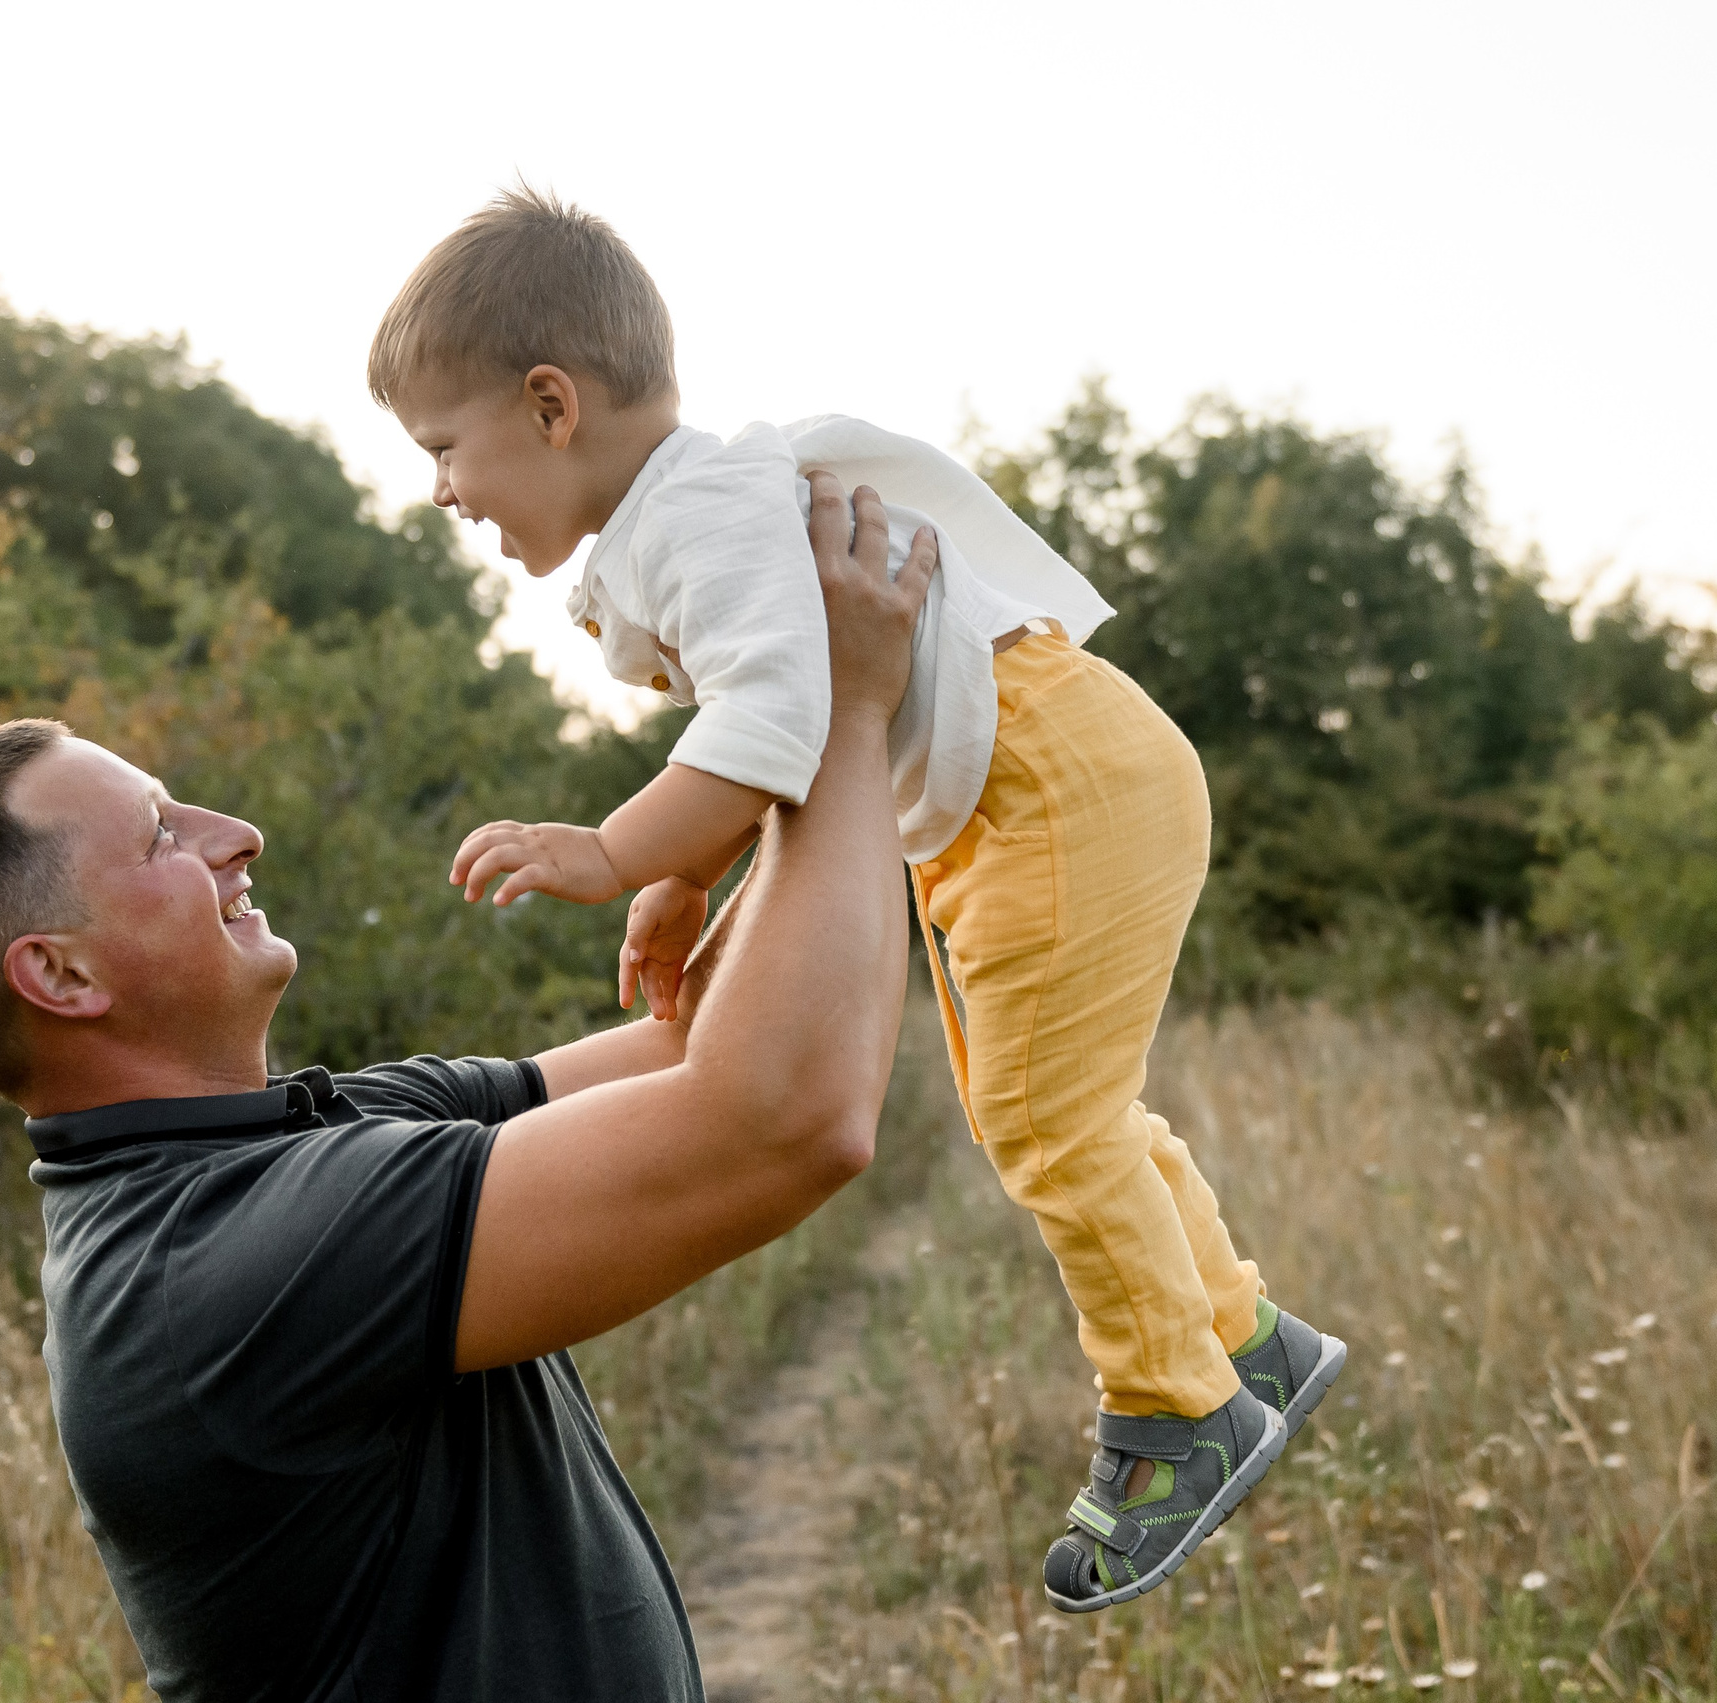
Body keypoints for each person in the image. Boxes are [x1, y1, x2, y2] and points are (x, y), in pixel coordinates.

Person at [366, 187, 1345, 1612]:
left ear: (551, 404)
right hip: (1031, 787)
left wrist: (618, 850)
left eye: (443, 448)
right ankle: (1243, 1337)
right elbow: (783, 717)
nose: (441, 490)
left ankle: (1176, 1409)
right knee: (1056, 1110)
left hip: (1051, 784)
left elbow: (770, 721)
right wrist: (686, 878)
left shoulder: (696, 514)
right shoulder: (688, 514)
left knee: (1047, 1122)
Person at [0, 477, 933, 1700]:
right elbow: (782, 1119)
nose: (234, 831)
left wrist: (735, 792)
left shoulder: (326, 1131)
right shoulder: (223, 1264)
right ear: (61, 974)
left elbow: (699, 1048)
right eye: (160, 834)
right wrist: (844, 708)